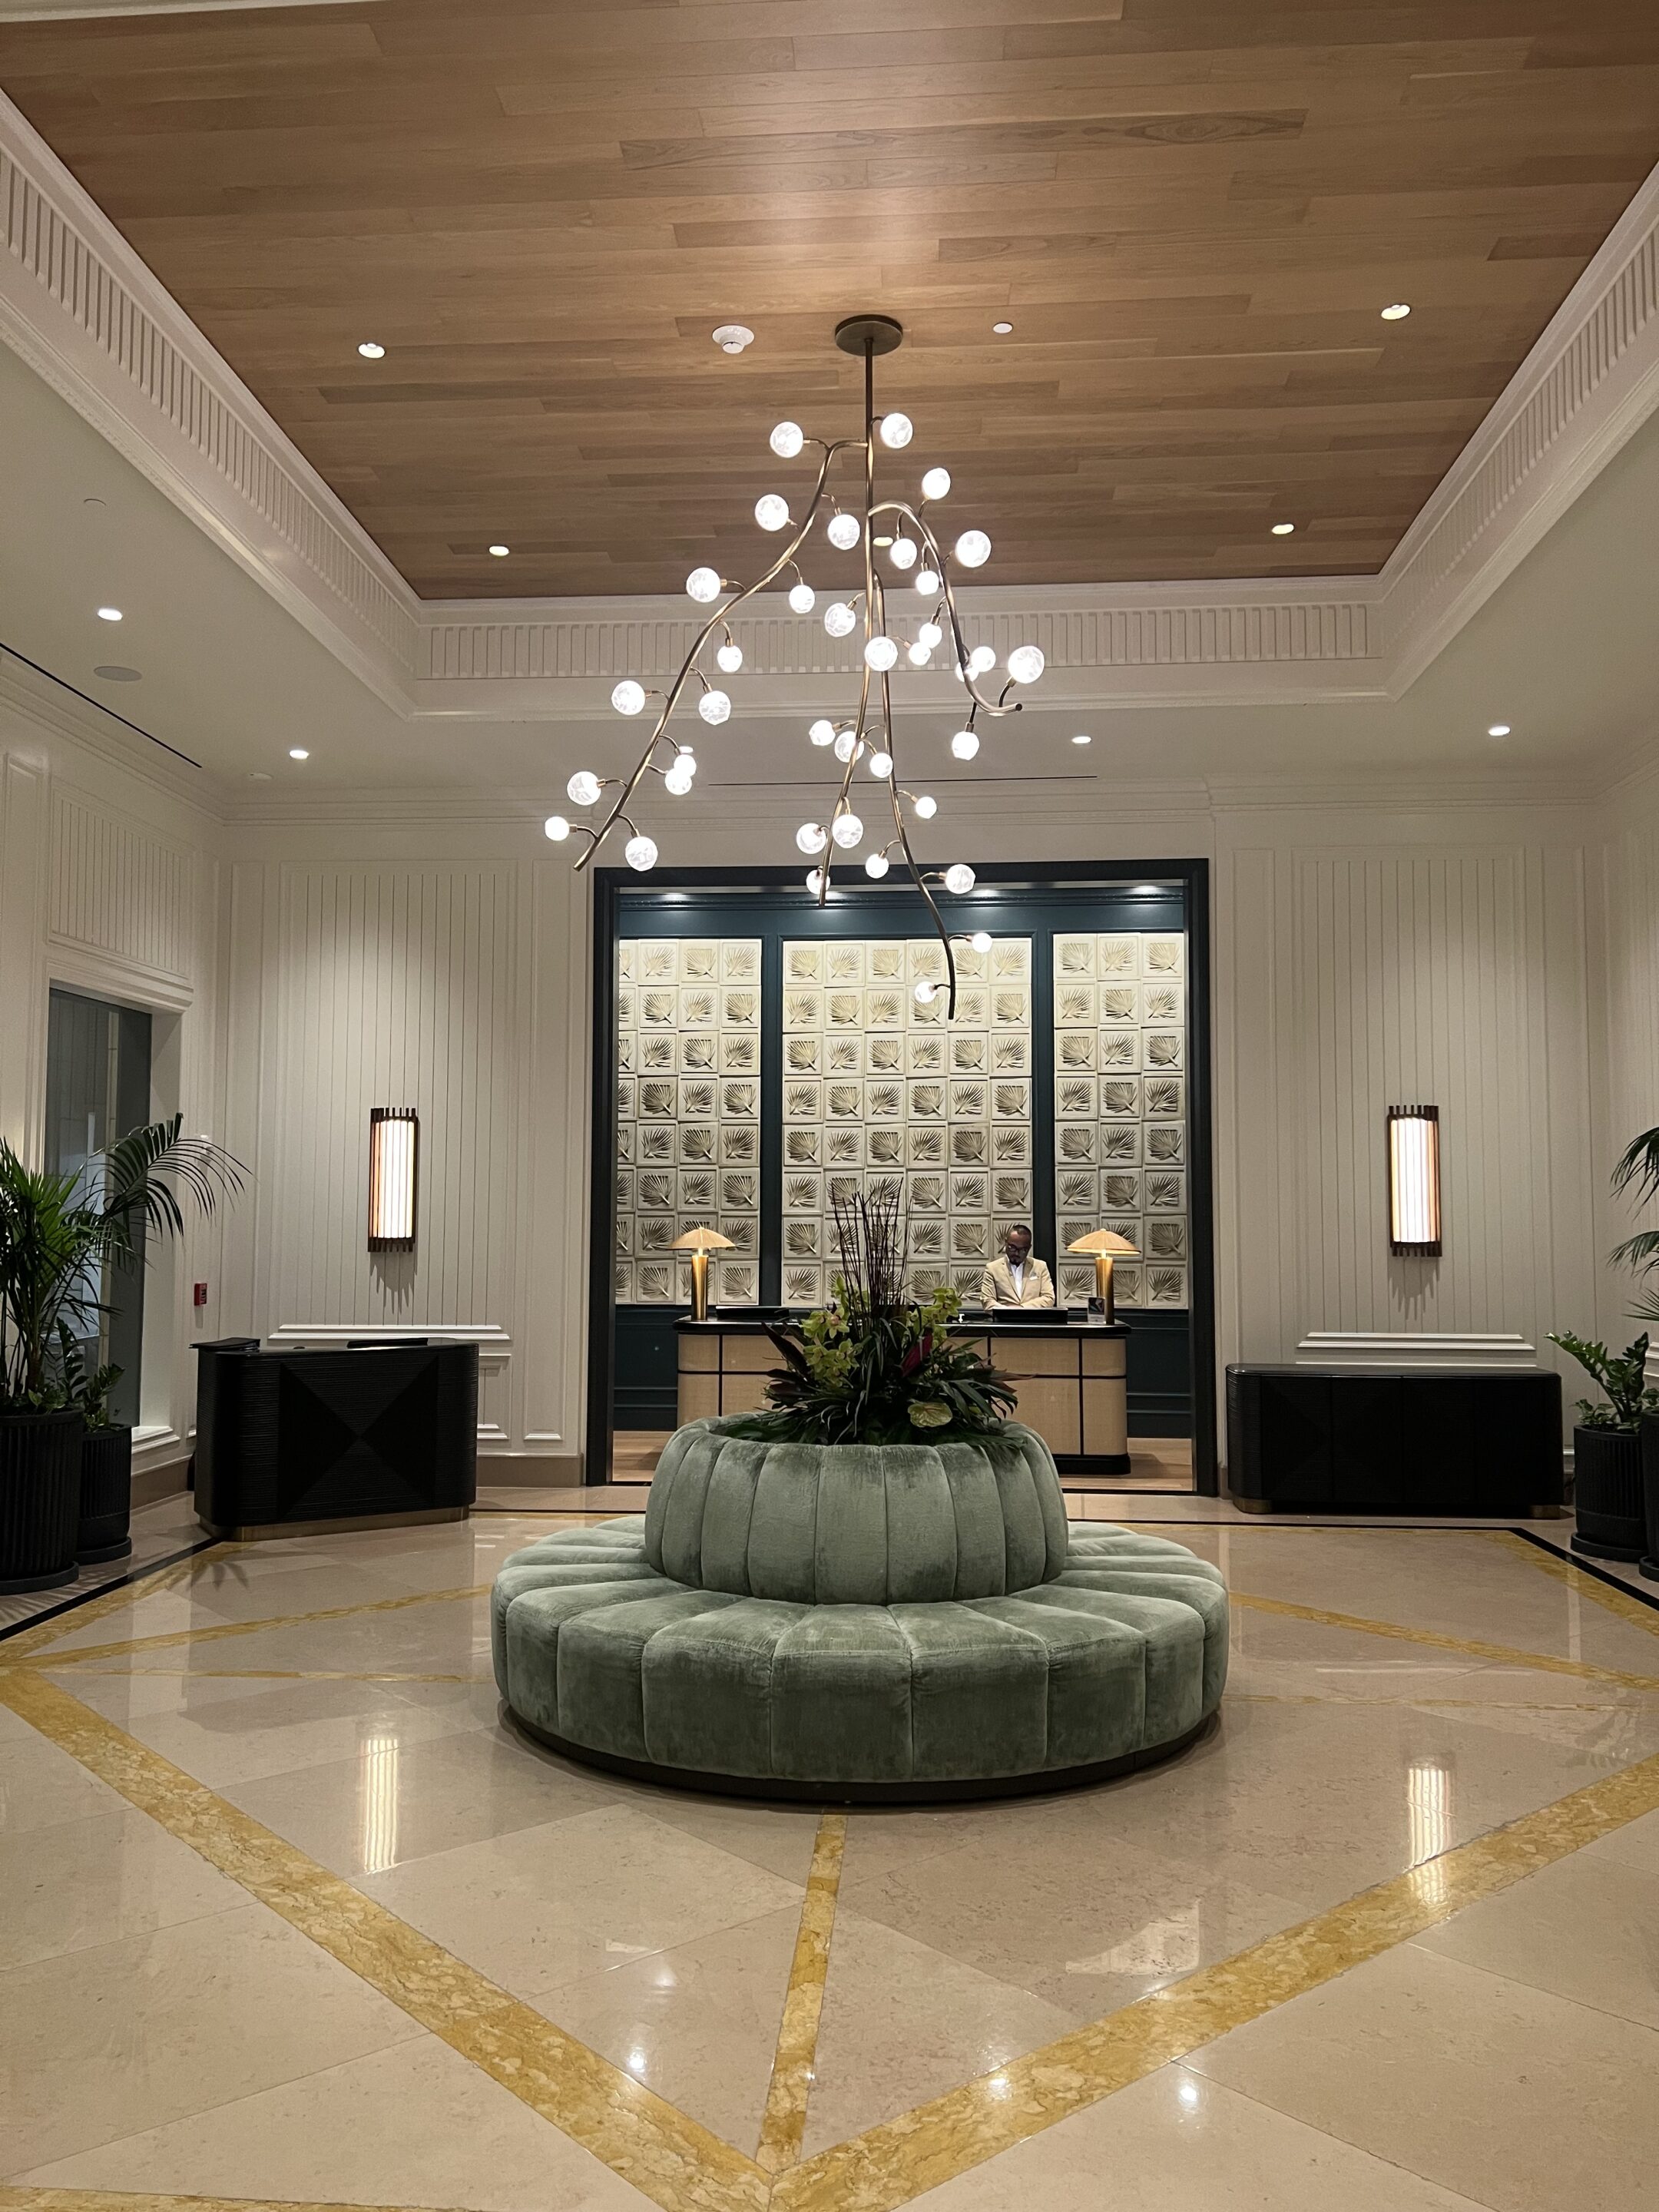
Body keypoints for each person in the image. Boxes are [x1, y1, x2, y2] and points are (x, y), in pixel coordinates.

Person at [979, 1224, 1055, 1310]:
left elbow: (1049, 1298)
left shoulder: (1040, 1266)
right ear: (1006, 1243)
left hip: (1034, 1320)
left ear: (1029, 1248)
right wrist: (1010, 1312)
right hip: (1004, 1320)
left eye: (1022, 1250)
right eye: (1012, 1248)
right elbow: (987, 1301)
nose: (1016, 1253)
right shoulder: (992, 1268)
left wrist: (1022, 1308)